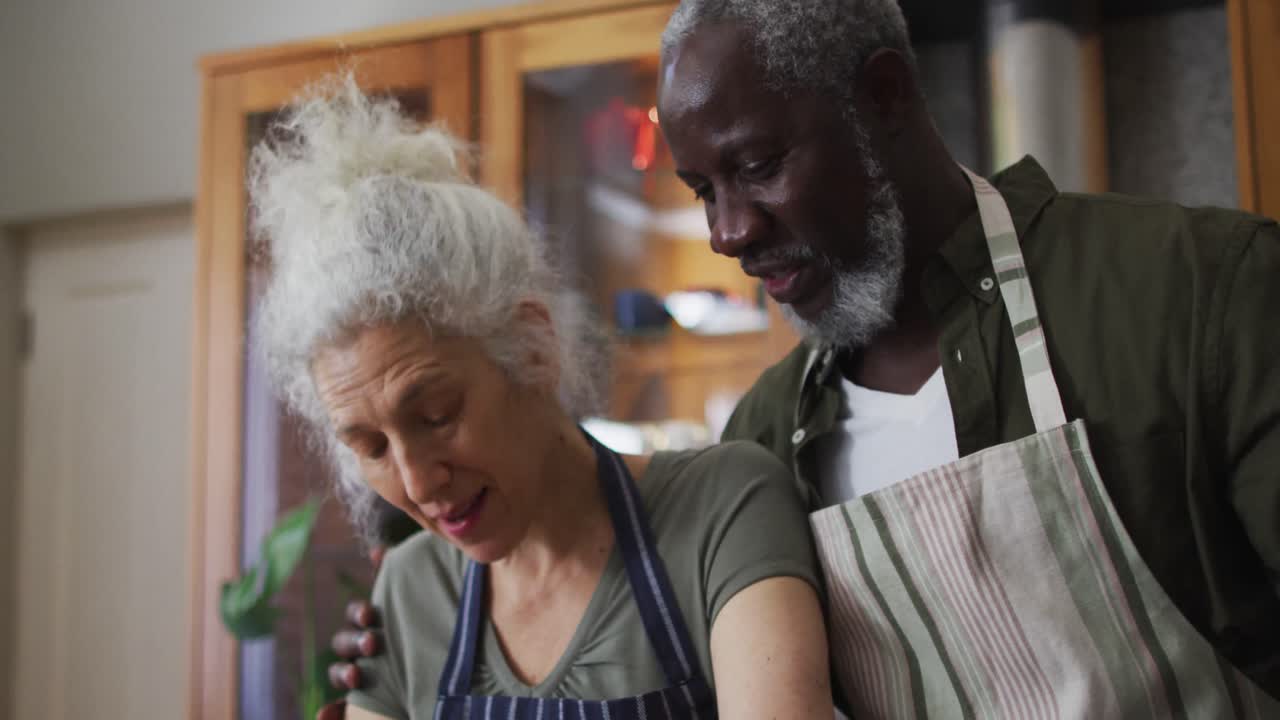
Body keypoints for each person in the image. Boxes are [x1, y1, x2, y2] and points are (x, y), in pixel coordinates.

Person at [329, 1, 1280, 717]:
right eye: (702, 190)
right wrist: (397, 638)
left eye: (756, 166)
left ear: (886, 95)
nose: (728, 232)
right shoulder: (769, 437)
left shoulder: (1200, 292)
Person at [252, 76, 833, 720]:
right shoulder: (412, 588)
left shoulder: (721, 508)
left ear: (531, 347)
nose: (417, 483)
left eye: (437, 416)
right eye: (372, 447)